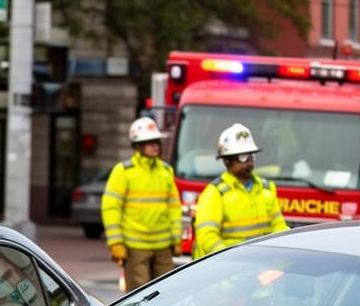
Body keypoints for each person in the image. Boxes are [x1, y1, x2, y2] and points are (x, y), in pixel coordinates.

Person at [101, 116, 181, 291]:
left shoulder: (166, 171)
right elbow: (111, 207)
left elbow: (174, 208)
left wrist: (176, 239)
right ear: (137, 145)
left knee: (166, 294)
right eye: (148, 142)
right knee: (140, 297)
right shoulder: (123, 172)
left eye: (156, 141)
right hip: (136, 248)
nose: (154, 146)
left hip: (163, 247)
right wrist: (116, 243)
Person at [193, 123, 287, 258]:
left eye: (251, 155)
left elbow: (278, 226)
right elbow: (207, 235)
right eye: (242, 156)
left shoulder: (266, 188)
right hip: (227, 269)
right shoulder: (215, 193)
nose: (249, 161)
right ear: (226, 160)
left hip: (260, 262)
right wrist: (229, 259)